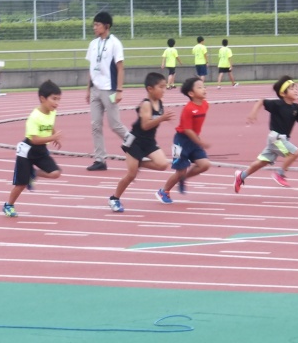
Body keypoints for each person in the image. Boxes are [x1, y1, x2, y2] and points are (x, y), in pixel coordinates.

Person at [108, 72, 174, 213]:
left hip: (149, 142)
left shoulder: (159, 102)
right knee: (131, 175)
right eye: (161, 87)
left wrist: (161, 118)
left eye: (165, 87)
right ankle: (114, 198)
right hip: (135, 142)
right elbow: (145, 125)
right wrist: (161, 118)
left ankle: (138, 163)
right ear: (150, 89)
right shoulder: (146, 104)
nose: (164, 90)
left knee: (163, 164)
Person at [234, 75, 298, 192]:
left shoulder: (296, 108)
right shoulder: (277, 104)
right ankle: (280, 174)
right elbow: (261, 101)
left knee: (262, 162)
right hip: (276, 138)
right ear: (283, 93)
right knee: (295, 153)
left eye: (296, 88)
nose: (295, 91)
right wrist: (253, 113)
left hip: (282, 140)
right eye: (292, 88)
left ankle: (241, 176)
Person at [2, 80, 62, 218]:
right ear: (42, 98)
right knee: (21, 184)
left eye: (59, 99)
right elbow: (34, 139)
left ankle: (33, 174)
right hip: (27, 152)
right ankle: (8, 205)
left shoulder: (52, 112)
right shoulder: (34, 117)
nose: (57, 102)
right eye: (54, 99)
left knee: (55, 173)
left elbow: (50, 124)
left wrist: (54, 135)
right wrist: (52, 137)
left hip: (41, 151)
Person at [155, 77, 211, 204]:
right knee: (180, 170)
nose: (204, 89)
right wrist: (200, 142)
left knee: (205, 165)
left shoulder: (205, 105)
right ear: (191, 93)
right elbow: (187, 130)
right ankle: (164, 191)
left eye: (204, 86)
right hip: (180, 141)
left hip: (194, 141)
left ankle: (183, 178)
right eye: (200, 87)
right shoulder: (188, 109)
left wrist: (197, 141)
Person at [85, 11, 130, 171]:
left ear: (106, 26)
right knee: (95, 125)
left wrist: (119, 90)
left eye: (97, 25)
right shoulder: (93, 44)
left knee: (115, 125)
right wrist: (88, 89)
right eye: (94, 25)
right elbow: (91, 68)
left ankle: (136, 146)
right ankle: (100, 159)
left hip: (109, 90)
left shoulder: (115, 44)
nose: (94, 27)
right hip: (95, 89)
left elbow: (120, 68)